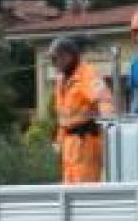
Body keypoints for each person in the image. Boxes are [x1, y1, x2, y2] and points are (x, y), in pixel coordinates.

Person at [49, 37, 114, 184]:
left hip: (85, 143)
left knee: (84, 189)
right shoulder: (62, 80)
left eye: (56, 58)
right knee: (69, 190)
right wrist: (58, 141)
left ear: (69, 56)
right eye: (53, 59)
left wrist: (109, 128)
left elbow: (104, 100)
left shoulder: (87, 74)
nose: (55, 63)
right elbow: (63, 117)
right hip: (69, 145)